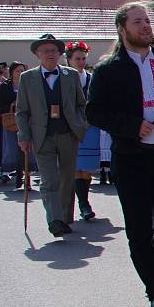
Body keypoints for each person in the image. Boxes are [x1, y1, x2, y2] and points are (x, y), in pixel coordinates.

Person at [86, 2, 154, 307]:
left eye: (147, 21)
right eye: (138, 22)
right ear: (123, 29)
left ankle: (147, 262)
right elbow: (94, 111)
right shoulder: (108, 69)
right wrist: (132, 126)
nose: (145, 26)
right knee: (139, 229)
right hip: (131, 158)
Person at [16, 34, 88, 237]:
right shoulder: (27, 78)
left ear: (59, 54)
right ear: (37, 54)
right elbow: (21, 111)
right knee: (49, 180)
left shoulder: (71, 75)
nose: (49, 54)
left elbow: (81, 104)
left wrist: (81, 125)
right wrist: (23, 135)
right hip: (41, 136)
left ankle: (65, 218)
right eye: (44, 51)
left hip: (68, 134)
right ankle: (55, 220)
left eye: (53, 51)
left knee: (67, 178)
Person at [65, 41, 100, 220]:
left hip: (89, 126)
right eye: (77, 58)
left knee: (85, 169)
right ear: (69, 60)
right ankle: (81, 204)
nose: (81, 62)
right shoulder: (64, 77)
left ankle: (84, 202)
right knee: (74, 167)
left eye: (83, 58)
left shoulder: (91, 78)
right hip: (70, 126)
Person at [0, 61, 34, 189]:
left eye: (22, 70)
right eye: (18, 70)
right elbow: (0, 104)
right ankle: (17, 175)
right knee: (14, 149)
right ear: (12, 72)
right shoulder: (5, 86)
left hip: (27, 121)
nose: (20, 73)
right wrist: (12, 104)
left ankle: (27, 178)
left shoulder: (29, 85)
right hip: (11, 121)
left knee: (27, 150)